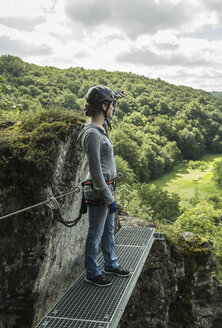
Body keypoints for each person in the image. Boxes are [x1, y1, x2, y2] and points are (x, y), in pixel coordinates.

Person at [79, 85, 130, 287]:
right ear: (102, 106)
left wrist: (112, 98)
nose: (114, 109)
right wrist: (109, 198)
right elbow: (95, 172)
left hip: (108, 188)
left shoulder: (101, 127)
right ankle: (92, 272)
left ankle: (110, 264)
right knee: (95, 232)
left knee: (108, 230)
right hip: (100, 190)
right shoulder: (92, 134)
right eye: (111, 106)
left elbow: (104, 118)